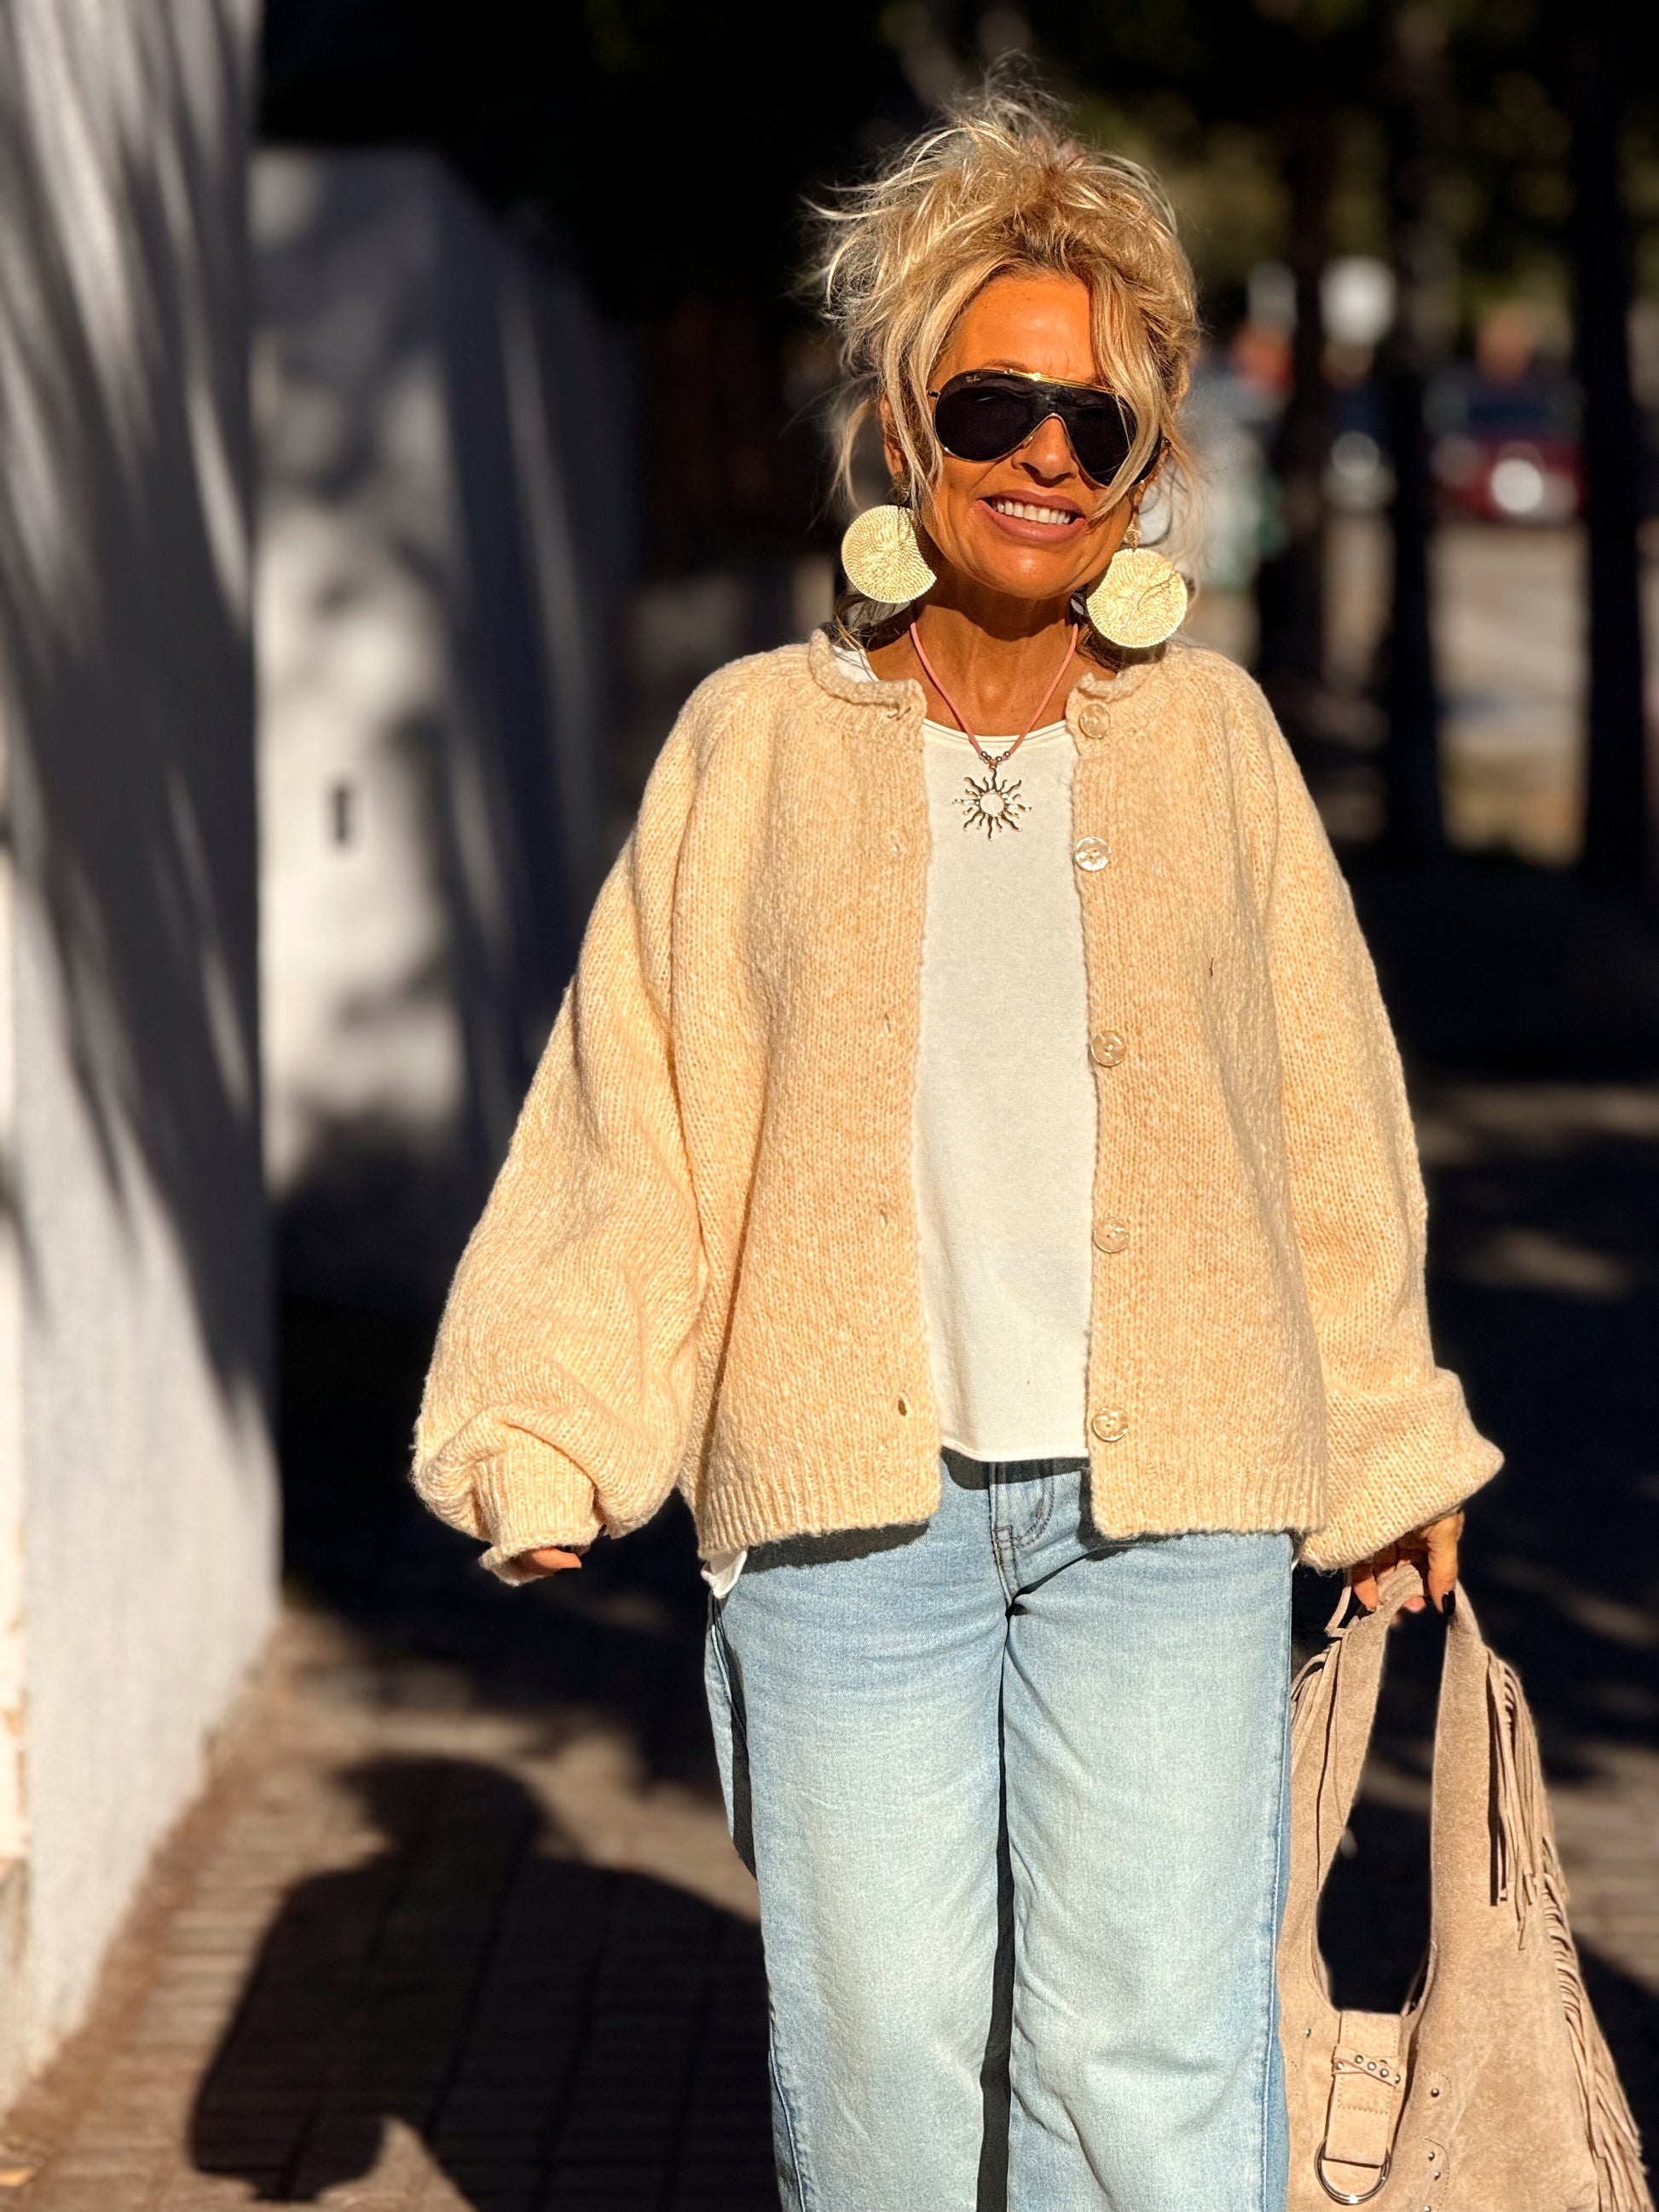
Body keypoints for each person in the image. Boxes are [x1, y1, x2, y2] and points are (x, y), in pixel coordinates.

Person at [413, 84, 1499, 2212]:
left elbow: (1328, 1121)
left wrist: (1385, 1443)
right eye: (997, 405)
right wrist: (548, 1421)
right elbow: (640, 1102)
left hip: (1173, 1509)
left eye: (1099, 425)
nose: (1045, 458)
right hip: (848, 1525)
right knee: (884, 2066)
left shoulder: (1216, 742)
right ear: (906, 424)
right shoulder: (750, 744)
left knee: (1145, 2066)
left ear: (1147, 467)